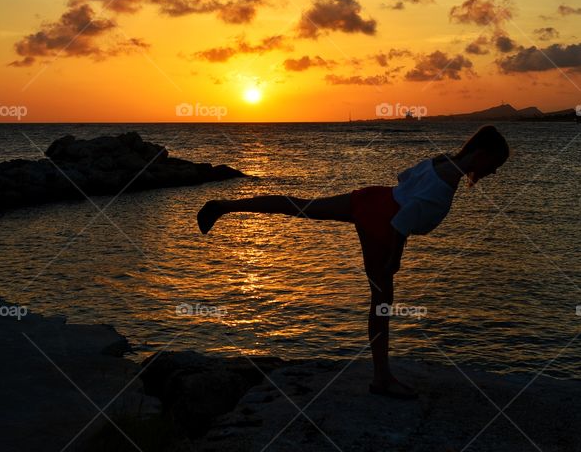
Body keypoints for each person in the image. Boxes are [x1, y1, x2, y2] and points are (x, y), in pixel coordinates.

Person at [197, 125, 510, 399]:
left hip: (373, 197)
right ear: (482, 154)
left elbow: (404, 179)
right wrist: (393, 261)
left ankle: (225, 206)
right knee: (382, 302)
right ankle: (381, 378)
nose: (493, 172)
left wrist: (403, 209)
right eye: (494, 164)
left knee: (302, 207)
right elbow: (403, 222)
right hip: (381, 224)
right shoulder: (445, 187)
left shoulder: (442, 161)